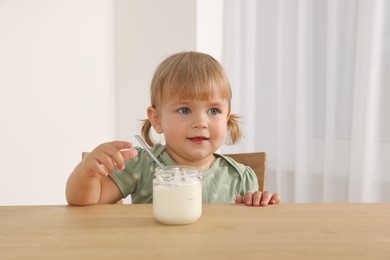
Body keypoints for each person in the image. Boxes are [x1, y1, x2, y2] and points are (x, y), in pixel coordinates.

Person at [66, 51, 281, 207]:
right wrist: (87, 172)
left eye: (214, 111)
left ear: (227, 117)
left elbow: (251, 233)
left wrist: (260, 203)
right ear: (157, 119)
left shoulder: (240, 177)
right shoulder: (141, 166)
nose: (201, 122)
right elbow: (86, 202)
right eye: (185, 110)